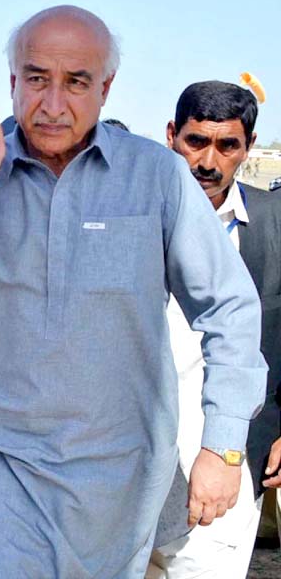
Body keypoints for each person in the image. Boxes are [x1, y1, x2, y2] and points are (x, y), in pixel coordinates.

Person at [0, 6, 266, 577]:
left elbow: (229, 308)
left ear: (107, 87)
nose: (52, 104)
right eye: (37, 78)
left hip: (118, 474)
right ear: (14, 81)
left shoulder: (157, 177)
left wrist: (223, 445)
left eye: (75, 82)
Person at [147, 80, 281, 578]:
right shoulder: (130, 216)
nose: (209, 161)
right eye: (196, 142)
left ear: (247, 146)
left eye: (227, 146)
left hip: (227, 463)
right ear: (171, 136)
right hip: (129, 457)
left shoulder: (273, 224)